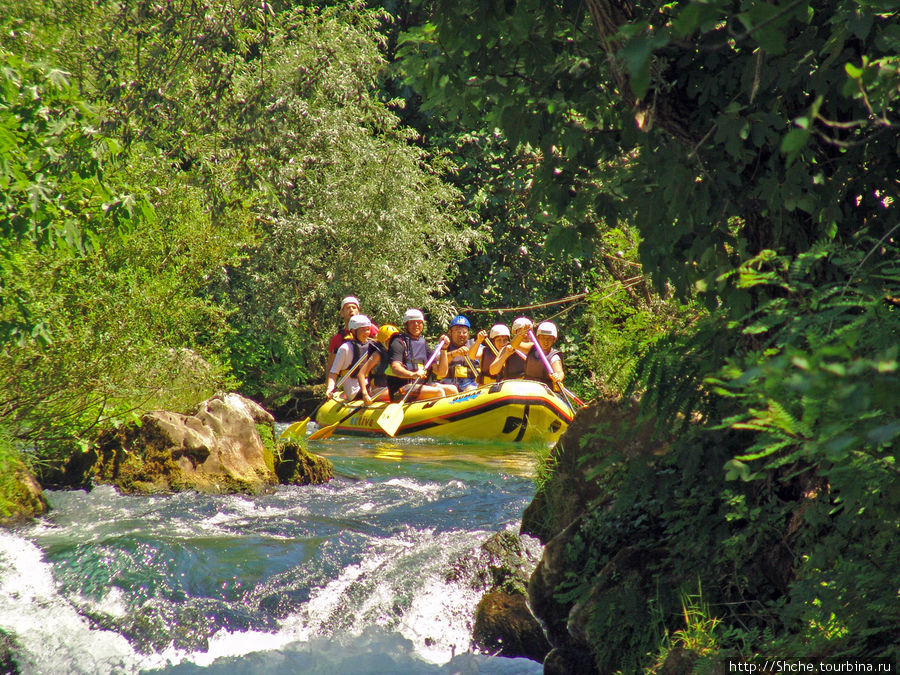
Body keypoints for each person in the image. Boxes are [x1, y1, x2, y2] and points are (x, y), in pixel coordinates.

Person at [385, 309, 455, 400]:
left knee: (452, 389)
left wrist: (444, 349)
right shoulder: (398, 342)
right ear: (406, 325)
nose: (416, 325)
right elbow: (395, 368)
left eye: (419, 322)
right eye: (412, 322)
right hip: (402, 390)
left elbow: (442, 372)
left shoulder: (423, 344)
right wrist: (413, 374)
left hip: (421, 386)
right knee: (438, 391)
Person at [325, 314, 374, 401]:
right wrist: (329, 389)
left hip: (370, 386)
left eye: (368, 329)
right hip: (355, 391)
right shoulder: (345, 349)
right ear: (353, 331)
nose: (366, 333)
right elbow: (333, 373)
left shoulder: (372, 345)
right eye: (363, 330)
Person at [325, 296, 378, 376]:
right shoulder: (337, 338)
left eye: (354, 307)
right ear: (342, 313)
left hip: (370, 377)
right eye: (348, 308)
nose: (351, 310)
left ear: (358, 311)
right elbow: (331, 365)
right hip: (349, 379)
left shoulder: (371, 329)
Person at [356, 324, 399, 405]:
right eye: (391, 340)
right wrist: (365, 394)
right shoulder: (377, 355)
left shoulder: (397, 353)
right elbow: (361, 374)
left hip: (390, 388)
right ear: (384, 341)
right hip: (377, 390)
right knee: (400, 394)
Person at [439, 315, 479, 392]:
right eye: (458, 332)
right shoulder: (443, 345)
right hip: (449, 384)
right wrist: (454, 353)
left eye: (464, 332)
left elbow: (481, 353)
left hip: (470, 384)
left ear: (468, 333)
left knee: (471, 389)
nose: (461, 335)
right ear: (450, 332)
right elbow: (437, 358)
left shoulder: (474, 345)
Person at [522, 321, 565, 389]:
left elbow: (559, 372)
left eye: (549, 338)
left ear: (554, 339)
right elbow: (515, 344)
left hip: (544, 390)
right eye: (543, 338)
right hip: (528, 387)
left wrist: (558, 377)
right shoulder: (531, 348)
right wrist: (522, 333)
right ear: (538, 338)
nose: (546, 341)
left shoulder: (554, 357)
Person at [490, 316, 531, 380]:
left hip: (532, 384)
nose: (525, 335)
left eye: (527, 332)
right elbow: (493, 371)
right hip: (512, 384)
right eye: (522, 332)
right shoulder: (507, 348)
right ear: (515, 333)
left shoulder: (535, 348)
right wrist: (506, 355)